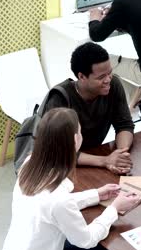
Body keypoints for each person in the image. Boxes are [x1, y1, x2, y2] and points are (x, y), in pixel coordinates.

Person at [2, 108, 141, 250]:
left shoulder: (30, 164)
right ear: (75, 139)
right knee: (109, 249)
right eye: (80, 132)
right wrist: (114, 208)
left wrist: (96, 195)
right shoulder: (58, 198)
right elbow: (86, 240)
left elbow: (51, 207)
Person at [45, 42, 135, 175]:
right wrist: (105, 161)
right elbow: (59, 152)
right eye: (101, 77)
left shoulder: (113, 85)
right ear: (81, 76)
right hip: (60, 165)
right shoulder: (60, 98)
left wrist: (121, 154)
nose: (108, 79)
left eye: (109, 73)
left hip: (93, 155)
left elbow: (124, 125)